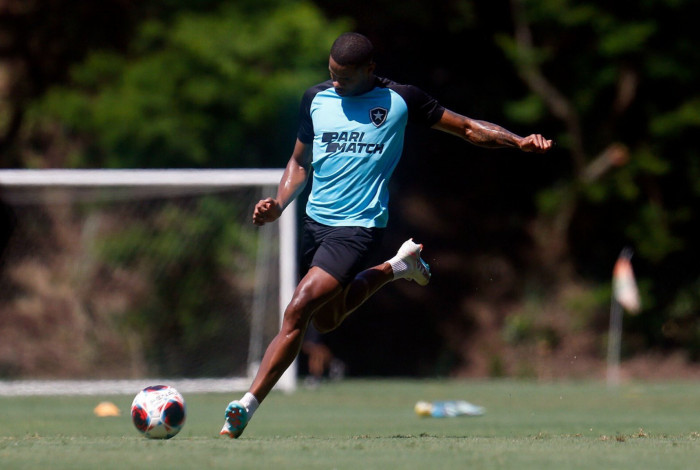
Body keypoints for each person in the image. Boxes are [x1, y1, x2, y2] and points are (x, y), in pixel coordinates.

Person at [220, 32, 552, 438]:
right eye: (332, 73)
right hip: (316, 224)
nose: (336, 82)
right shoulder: (316, 98)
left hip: (359, 226)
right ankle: (398, 267)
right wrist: (279, 203)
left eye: (345, 77)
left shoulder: (401, 100)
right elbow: (299, 161)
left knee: (298, 308)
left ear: (369, 69)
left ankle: (245, 407)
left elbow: (467, 128)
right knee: (327, 319)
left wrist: (518, 142)